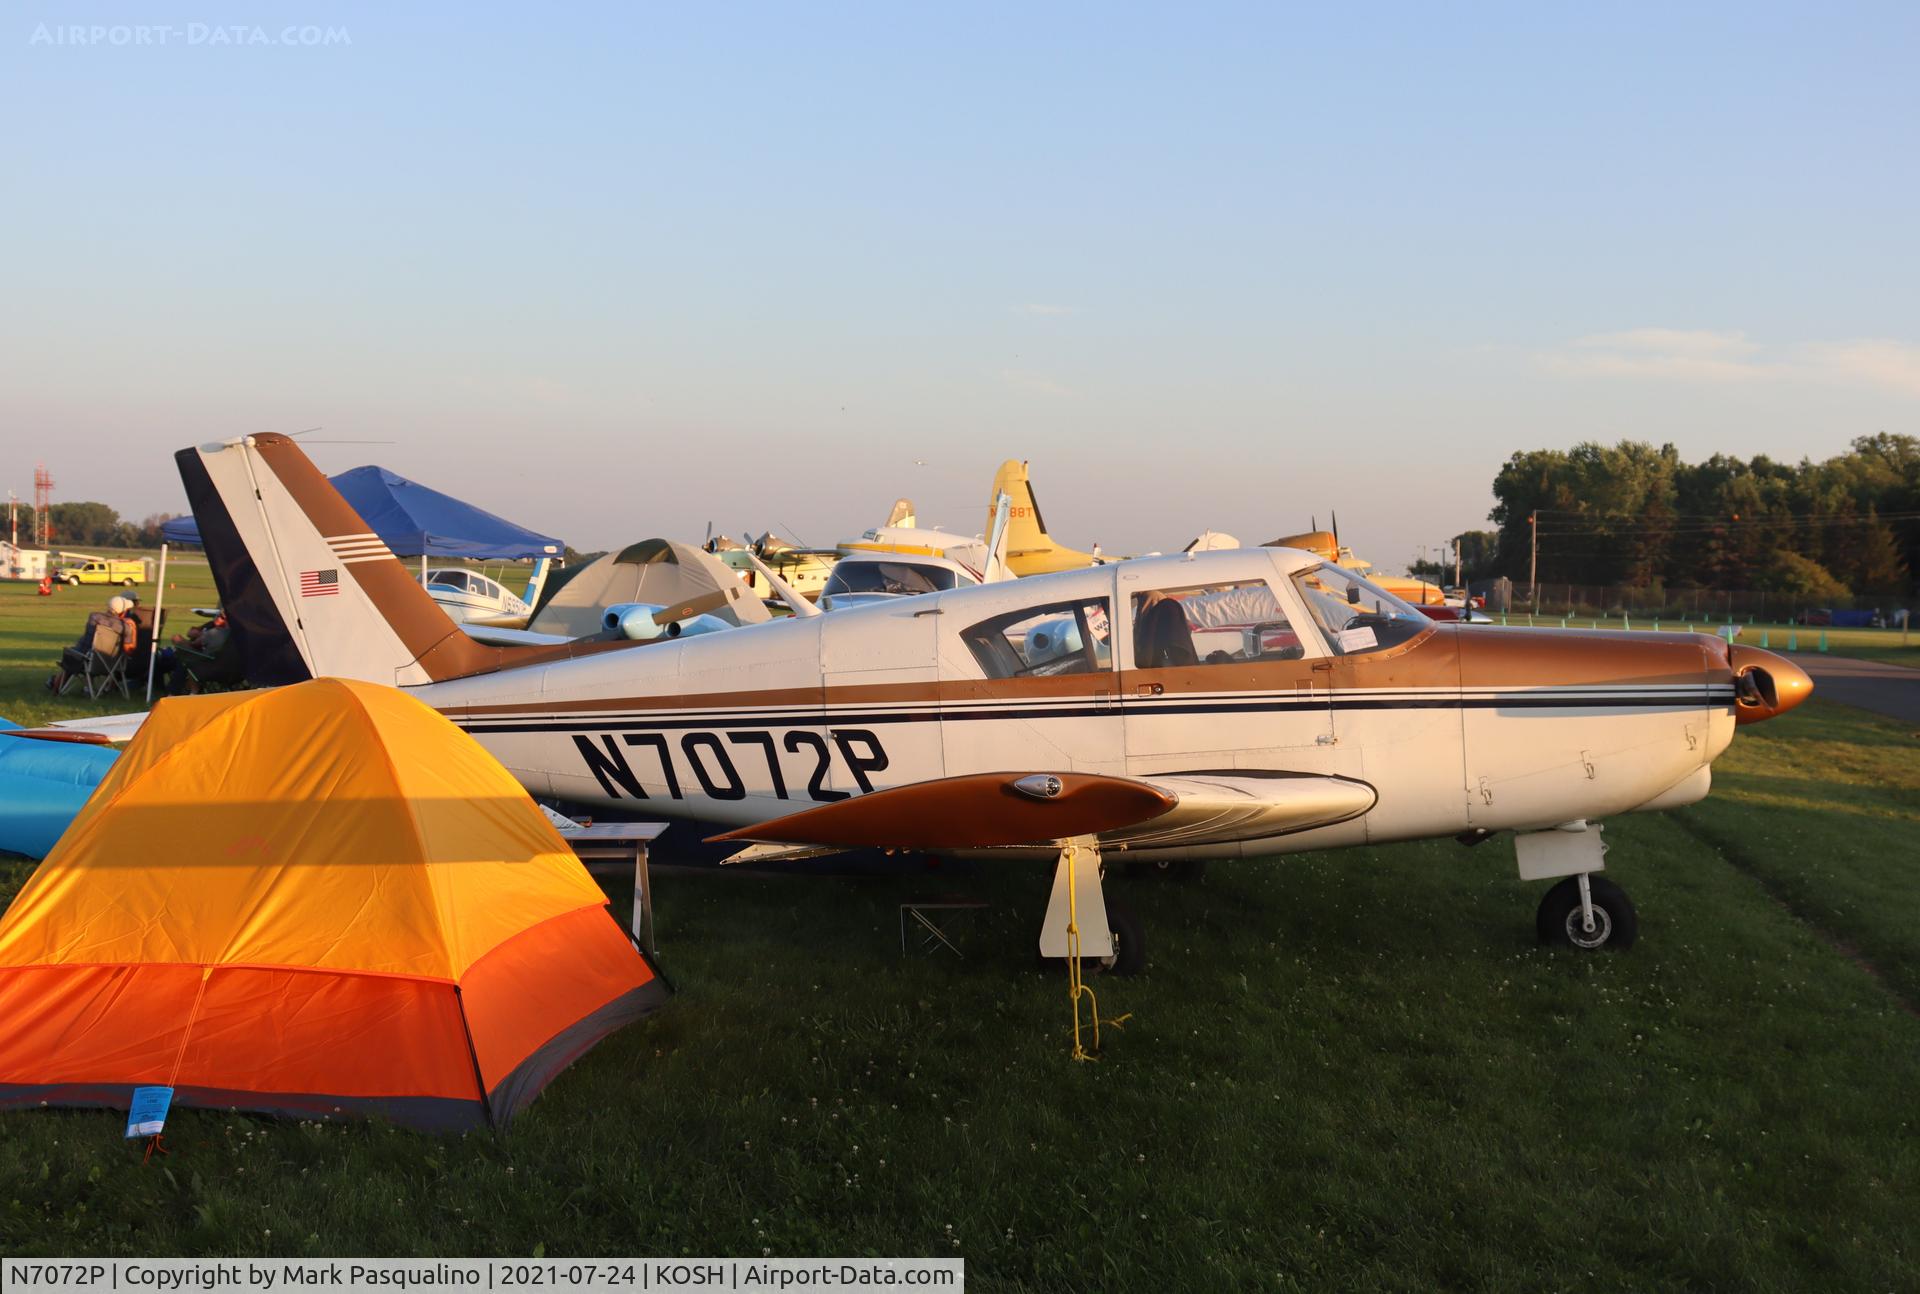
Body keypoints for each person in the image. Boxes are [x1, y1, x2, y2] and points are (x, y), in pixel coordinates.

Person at [47, 595, 137, 693]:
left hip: (84, 659)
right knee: (82, 655)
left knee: (72, 655)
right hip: (110, 664)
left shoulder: (94, 617)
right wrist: (133, 628)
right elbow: (128, 649)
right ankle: (95, 688)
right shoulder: (125, 627)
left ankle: (56, 687)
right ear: (123, 612)